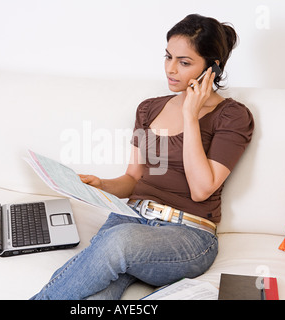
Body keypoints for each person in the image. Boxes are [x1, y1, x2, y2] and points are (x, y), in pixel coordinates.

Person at [31, 13, 254, 300]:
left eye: (184, 63)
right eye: (168, 57)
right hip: (130, 219)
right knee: (96, 292)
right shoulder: (148, 109)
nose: (171, 70)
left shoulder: (233, 116)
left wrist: (189, 115)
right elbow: (133, 178)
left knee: (117, 244)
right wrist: (101, 185)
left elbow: (201, 189)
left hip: (188, 235)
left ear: (212, 68)